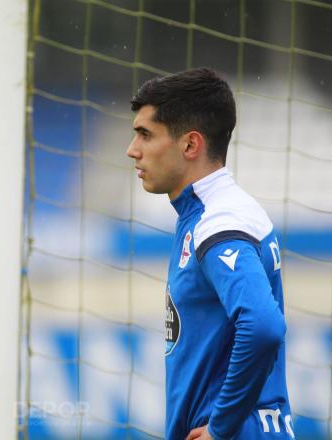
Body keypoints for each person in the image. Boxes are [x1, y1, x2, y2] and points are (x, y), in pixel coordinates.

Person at [126, 67, 293, 440]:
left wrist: (221, 427)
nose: (132, 149)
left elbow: (263, 326)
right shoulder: (212, 213)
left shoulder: (219, 221)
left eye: (145, 134)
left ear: (190, 145)